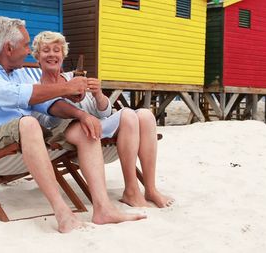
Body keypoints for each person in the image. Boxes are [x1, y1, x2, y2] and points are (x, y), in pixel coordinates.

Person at [0, 16, 145, 233]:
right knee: (28, 123)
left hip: (28, 136)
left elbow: (46, 104)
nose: (29, 51)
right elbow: (20, 96)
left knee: (82, 128)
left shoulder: (18, 74)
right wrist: (66, 89)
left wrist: (81, 115)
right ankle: (62, 212)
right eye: (26, 45)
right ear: (9, 48)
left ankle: (103, 208)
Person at [31, 31, 174, 208]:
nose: (52, 54)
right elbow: (47, 123)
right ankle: (131, 190)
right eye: (46, 50)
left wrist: (98, 94)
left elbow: (104, 113)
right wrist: (65, 94)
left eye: (56, 50)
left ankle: (150, 189)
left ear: (63, 55)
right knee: (128, 114)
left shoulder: (74, 78)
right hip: (69, 135)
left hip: (95, 126)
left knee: (146, 115)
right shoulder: (36, 88)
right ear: (37, 56)